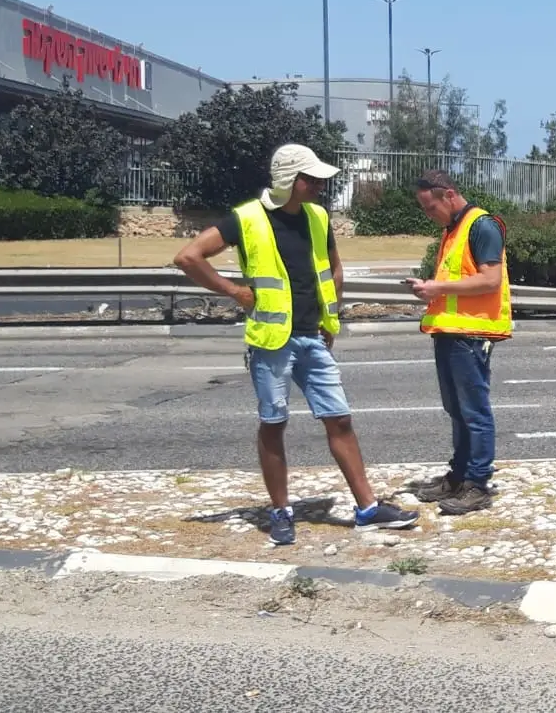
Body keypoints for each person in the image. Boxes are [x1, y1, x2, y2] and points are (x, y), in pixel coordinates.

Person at [173, 143, 418, 545]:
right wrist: (235, 292)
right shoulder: (247, 218)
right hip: (272, 341)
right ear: (290, 180)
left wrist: (331, 316)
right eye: (312, 178)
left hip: (312, 336)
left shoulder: (318, 217)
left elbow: (333, 268)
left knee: (339, 419)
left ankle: (368, 508)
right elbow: (188, 257)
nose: (320, 185)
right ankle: (280, 510)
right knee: (274, 423)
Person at [403, 170, 511, 516]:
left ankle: (477, 484)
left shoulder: (481, 226)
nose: (428, 215)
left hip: (471, 335)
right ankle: (458, 475)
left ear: (449, 195)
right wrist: (428, 288)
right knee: (457, 410)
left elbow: (490, 280)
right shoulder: (453, 230)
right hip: (450, 332)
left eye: (429, 207)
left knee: (474, 412)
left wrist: (437, 288)